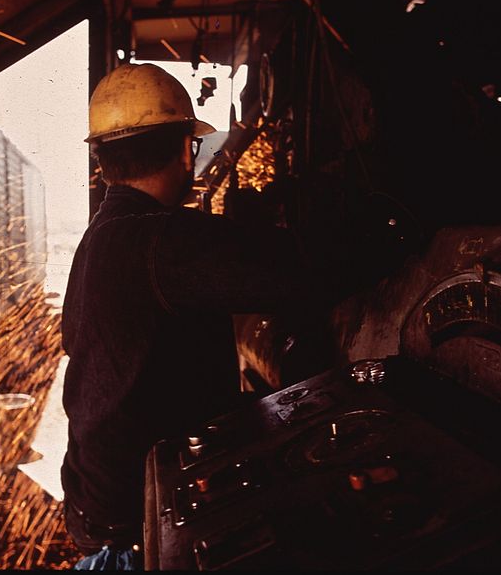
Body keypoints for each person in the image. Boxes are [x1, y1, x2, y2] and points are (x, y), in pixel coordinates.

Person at [60, 62, 410, 570]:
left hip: (101, 506)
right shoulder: (159, 239)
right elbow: (298, 273)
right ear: (186, 147)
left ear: (104, 157)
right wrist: (389, 235)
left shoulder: (101, 240)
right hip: (136, 534)